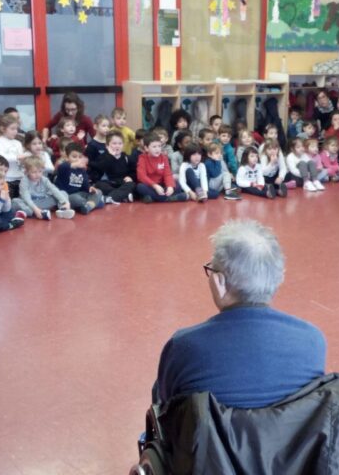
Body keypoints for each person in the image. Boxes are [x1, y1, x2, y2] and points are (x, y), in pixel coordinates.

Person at [155, 220, 326, 406]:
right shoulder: (313, 341)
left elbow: (165, 404)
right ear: (279, 278)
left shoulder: (184, 346)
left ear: (220, 283)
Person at [54, 144, 104, 214]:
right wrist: (75, 164)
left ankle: (87, 206)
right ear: (67, 158)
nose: (78, 159)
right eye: (74, 157)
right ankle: (94, 203)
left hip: (80, 193)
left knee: (98, 192)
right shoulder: (64, 167)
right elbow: (62, 167)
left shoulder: (82, 170)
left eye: (80, 157)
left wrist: (89, 188)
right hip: (68, 196)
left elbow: (85, 184)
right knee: (76, 199)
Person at [92, 131, 137, 204]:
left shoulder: (126, 157)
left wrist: (130, 177)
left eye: (120, 143)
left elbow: (134, 171)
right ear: (107, 146)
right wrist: (110, 156)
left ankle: (110, 198)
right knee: (99, 185)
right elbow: (99, 169)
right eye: (114, 143)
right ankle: (123, 196)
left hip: (123, 183)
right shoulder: (103, 157)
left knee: (132, 184)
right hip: (109, 183)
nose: (117, 146)